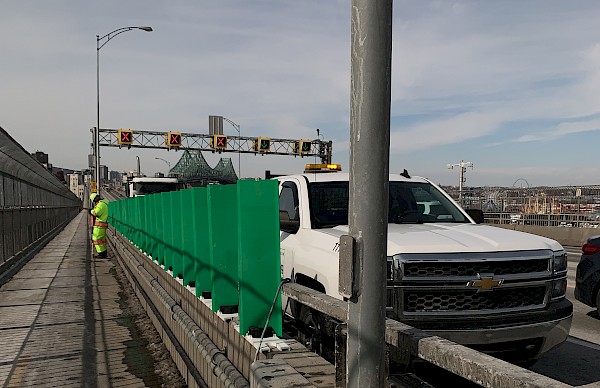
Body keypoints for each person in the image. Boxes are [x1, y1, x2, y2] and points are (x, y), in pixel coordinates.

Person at [90, 193, 109, 258]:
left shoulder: (100, 205)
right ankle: (104, 253)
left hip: (99, 226)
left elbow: (96, 213)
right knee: (102, 240)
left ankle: (101, 253)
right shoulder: (104, 204)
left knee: (96, 239)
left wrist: (91, 211)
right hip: (102, 225)